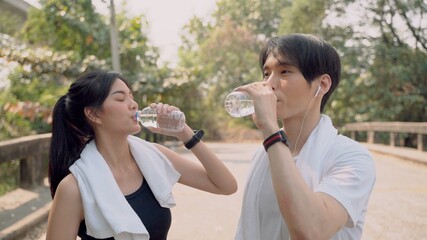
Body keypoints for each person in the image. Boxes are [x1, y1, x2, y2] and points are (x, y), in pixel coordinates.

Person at [46, 70, 237, 240]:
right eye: (121, 99)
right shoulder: (75, 187)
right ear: (94, 115)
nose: (133, 105)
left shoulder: (154, 157)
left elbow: (226, 186)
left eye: (131, 96)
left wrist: (183, 132)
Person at [234, 34, 376, 240]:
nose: (268, 85)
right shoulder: (263, 153)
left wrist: (271, 133)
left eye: (284, 71)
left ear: (323, 85)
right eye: (266, 74)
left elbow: (311, 230)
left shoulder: (351, 157)